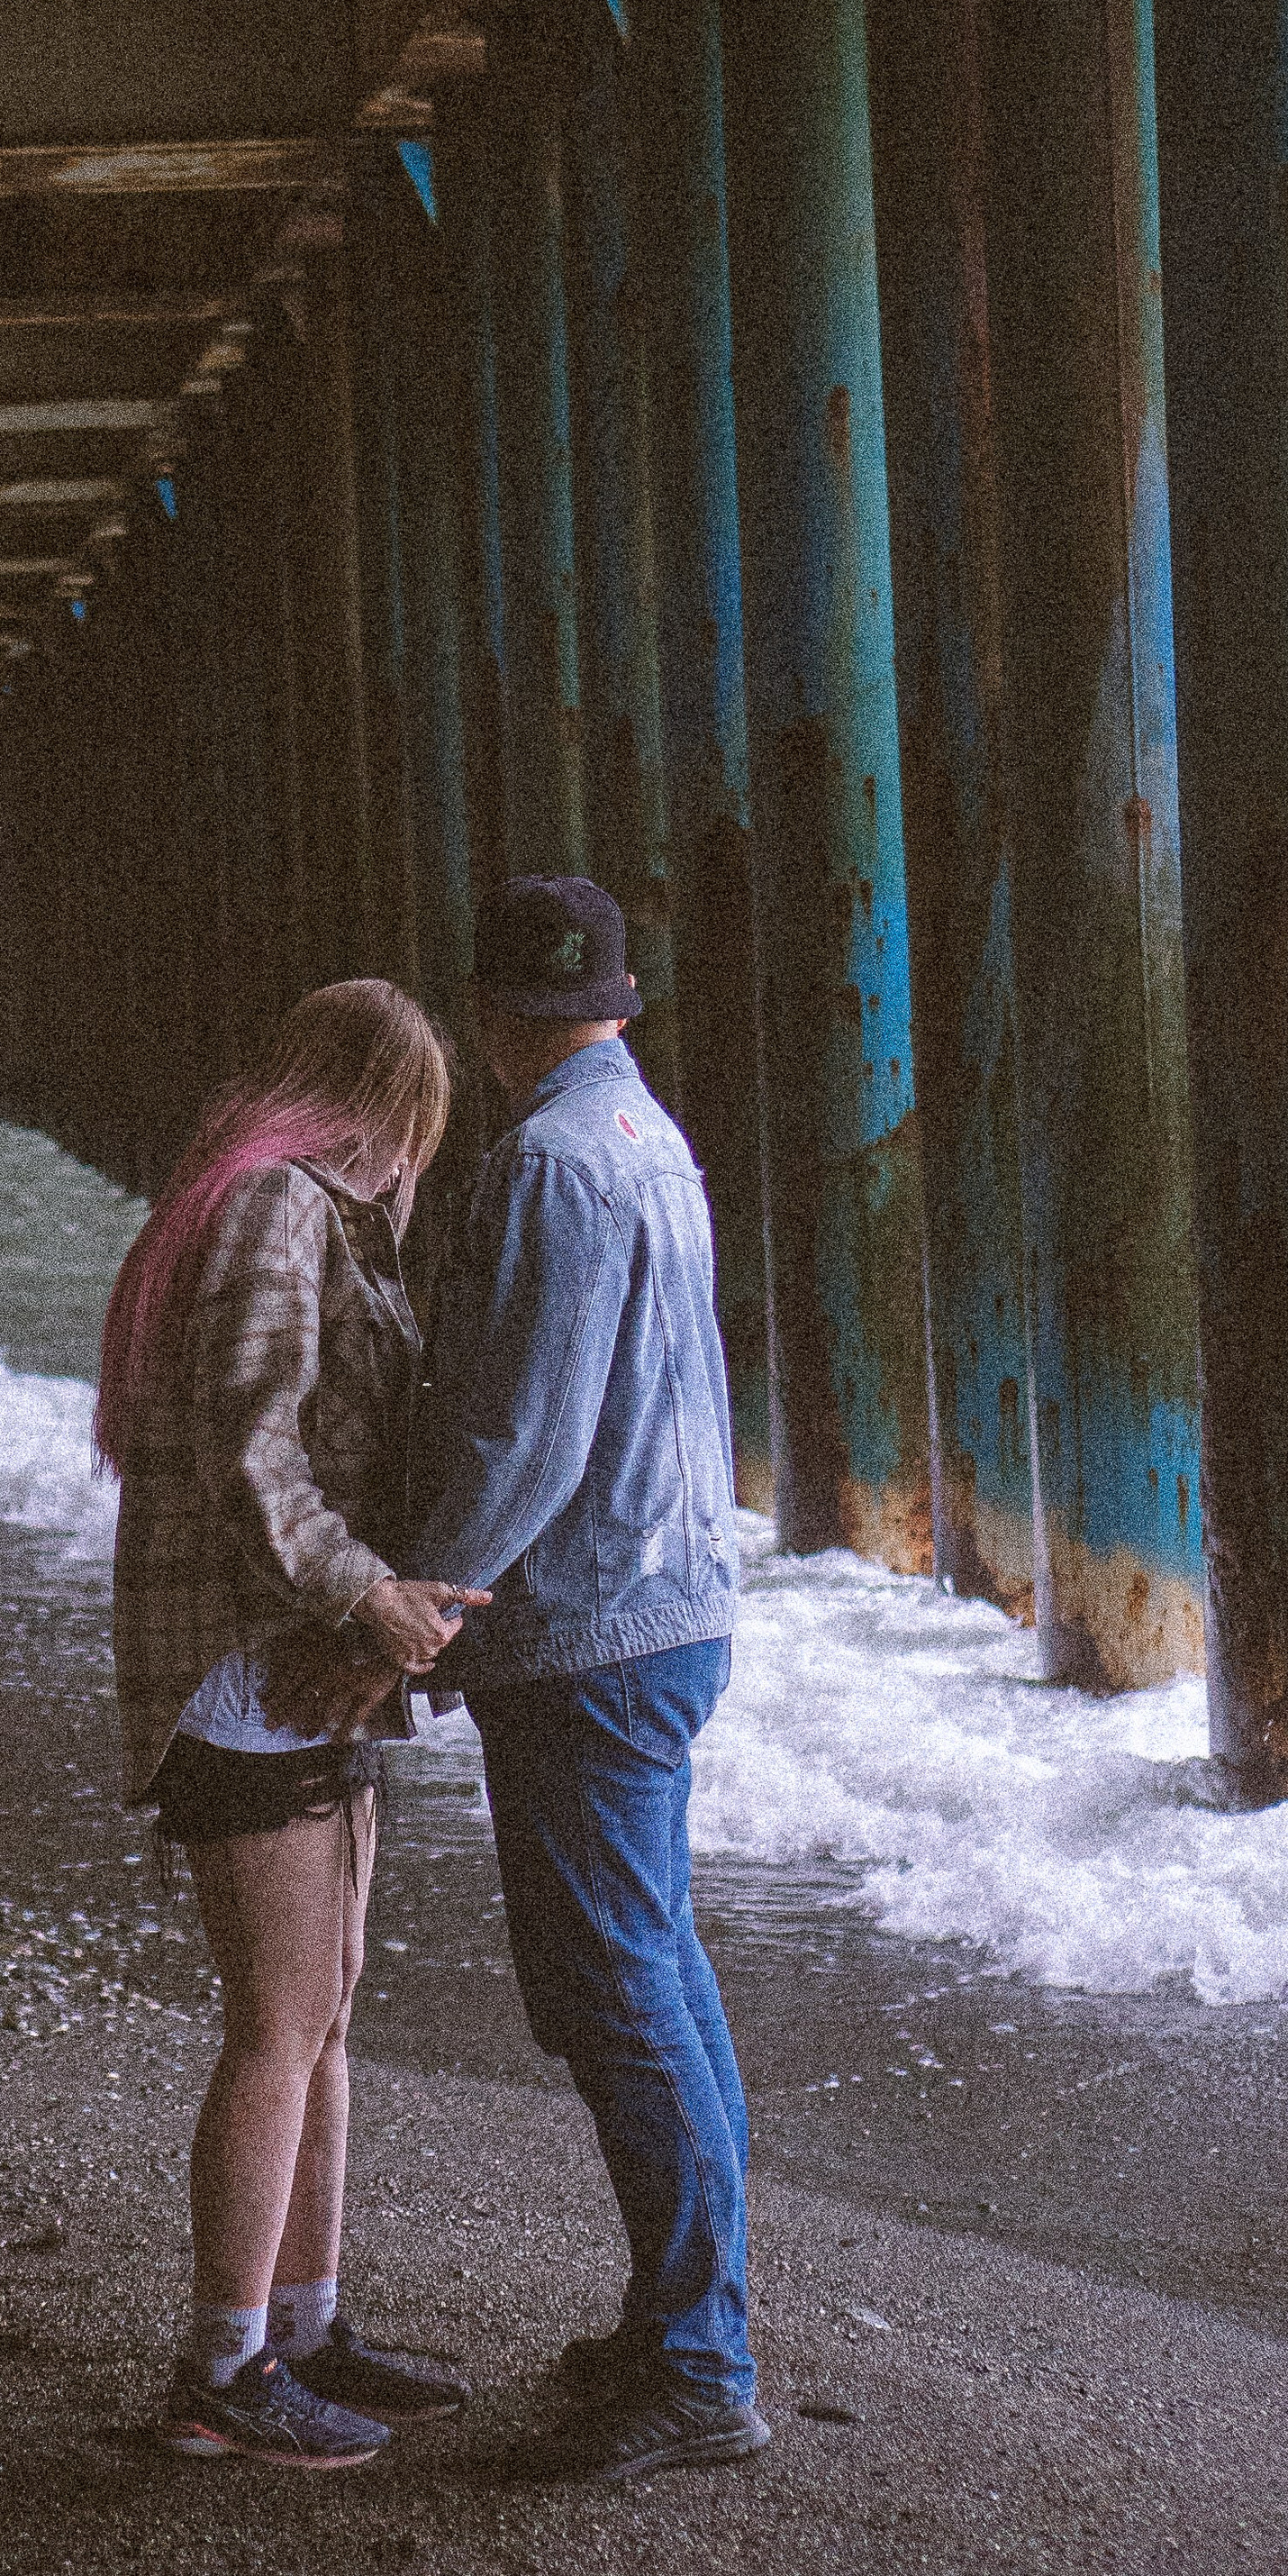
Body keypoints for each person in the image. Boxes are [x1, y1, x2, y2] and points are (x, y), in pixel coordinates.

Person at [403, 876, 768, 2481]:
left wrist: (421, 1607)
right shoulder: (647, 1137)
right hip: (674, 1602)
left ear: (489, 1015)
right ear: (620, 1000)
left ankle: (699, 2364)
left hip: (592, 1632)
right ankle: (688, 2324)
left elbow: (526, 1436)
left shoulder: (550, 1161)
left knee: (617, 1992)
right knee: (656, 1971)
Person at [96, 979, 483, 2471]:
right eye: (415, 1123)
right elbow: (246, 1452)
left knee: (324, 2010)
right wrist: (365, 1595)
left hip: (292, 1661)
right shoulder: (273, 1207)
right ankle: (221, 2372)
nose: (413, 1158)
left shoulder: (294, 1206)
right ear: (382, 1108)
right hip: (243, 1667)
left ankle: (305, 2329)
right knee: (277, 2024)